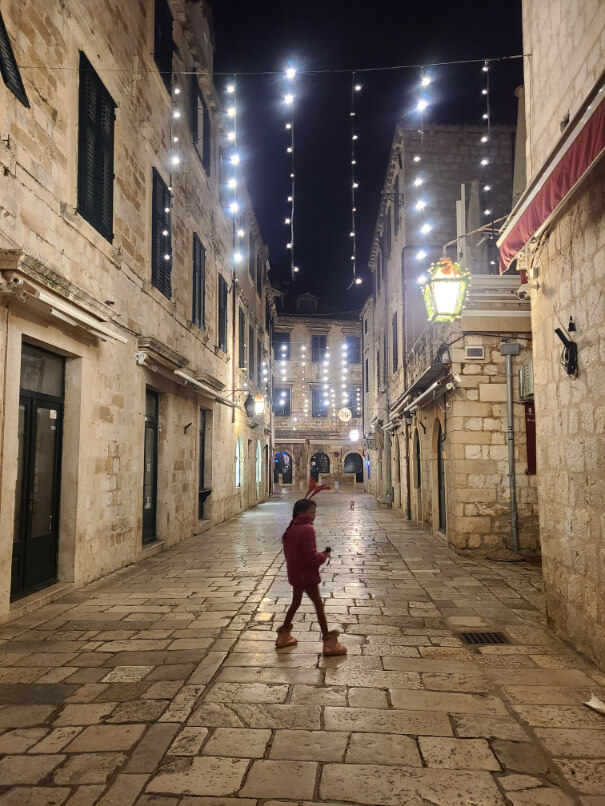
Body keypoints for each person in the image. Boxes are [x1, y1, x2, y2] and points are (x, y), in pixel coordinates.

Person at [275, 498, 347, 656]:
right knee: (319, 606)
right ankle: (329, 643)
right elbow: (310, 558)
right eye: (312, 512)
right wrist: (323, 555)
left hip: (295, 573)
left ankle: (283, 637)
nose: (314, 515)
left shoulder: (291, 527)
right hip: (306, 574)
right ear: (304, 513)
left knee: (296, 602)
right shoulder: (307, 529)